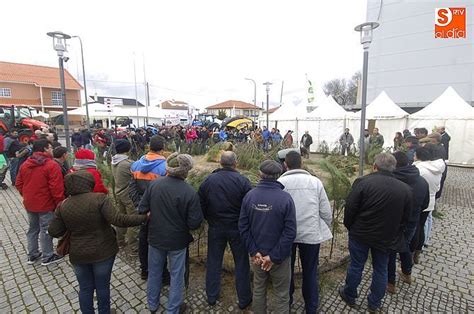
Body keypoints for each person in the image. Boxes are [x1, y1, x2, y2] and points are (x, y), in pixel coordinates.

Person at [48, 171, 146, 314]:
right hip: (103, 251)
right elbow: (118, 220)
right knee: (102, 287)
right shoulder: (100, 199)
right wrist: (143, 218)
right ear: (89, 183)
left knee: (85, 288)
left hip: (78, 254)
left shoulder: (63, 205)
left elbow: (54, 231)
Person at [339, 153, 411, 312]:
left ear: (375, 166)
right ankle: (374, 303)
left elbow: (350, 208)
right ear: (394, 168)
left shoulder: (363, 183)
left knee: (356, 265)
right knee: (381, 268)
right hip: (386, 237)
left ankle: (349, 294)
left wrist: (350, 226)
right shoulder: (405, 189)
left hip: (361, 234)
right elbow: (406, 218)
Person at [138, 153, 203, 313]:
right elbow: (195, 223)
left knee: (154, 272)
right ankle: (173, 309)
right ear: (186, 171)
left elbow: (141, 209)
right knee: (176, 275)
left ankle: (152, 304)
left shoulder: (154, 184)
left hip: (155, 237)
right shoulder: (189, 192)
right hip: (177, 241)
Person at [239, 160, 297, 314]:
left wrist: (254, 251)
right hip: (280, 258)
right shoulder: (285, 199)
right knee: (282, 295)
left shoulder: (249, 196)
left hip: (258, 257)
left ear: (260, 174)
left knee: (258, 289)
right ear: (278, 176)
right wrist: (273, 256)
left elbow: (243, 227)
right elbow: (290, 232)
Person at [278, 151, 332, 313]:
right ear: (301, 163)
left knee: (287, 270)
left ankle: (288, 301)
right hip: (310, 235)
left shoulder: (280, 182)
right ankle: (311, 306)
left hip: (288, 235)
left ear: (285, 165)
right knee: (310, 271)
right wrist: (321, 227)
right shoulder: (315, 182)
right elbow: (326, 212)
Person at [198, 152, 253, 309]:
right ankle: (244, 298)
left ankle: (211, 295)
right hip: (237, 228)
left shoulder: (209, 180)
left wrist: (208, 218)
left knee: (214, 260)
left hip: (216, 227)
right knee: (241, 262)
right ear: (235, 163)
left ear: (220, 163)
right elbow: (249, 205)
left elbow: (201, 202)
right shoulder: (243, 181)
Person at [15, 139, 65, 266]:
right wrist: (59, 203)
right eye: (50, 147)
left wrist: (26, 194)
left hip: (30, 203)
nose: (52, 150)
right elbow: (56, 188)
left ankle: (32, 255)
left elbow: (18, 183)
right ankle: (47, 256)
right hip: (46, 204)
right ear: (44, 149)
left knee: (32, 229)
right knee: (46, 229)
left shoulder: (26, 164)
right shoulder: (51, 165)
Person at [387, 152, 429, 294]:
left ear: (394, 164)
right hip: (412, 221)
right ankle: (407, 273)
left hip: (394, 222)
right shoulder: (422, 181)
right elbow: (425, 204)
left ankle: (390, 282)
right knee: (404, 246)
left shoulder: (392, 180)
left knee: (391, 253)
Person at [129, 135, 168, 281]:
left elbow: (131, 189)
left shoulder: (136, 165)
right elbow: (164, 193)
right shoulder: (165, 167)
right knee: (159, 243)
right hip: (158, 212)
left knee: (143, 239)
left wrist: (140, 207)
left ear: (149, 147)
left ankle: (144, 270)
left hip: (143, 210)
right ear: (162, 148)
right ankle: (163, 273)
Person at [413, 144, 445, 259]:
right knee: (421, 226)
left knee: (414, 227)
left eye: (414, 154)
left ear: (418, 156)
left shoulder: (419, 169)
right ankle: (418, 251)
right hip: (430, 201)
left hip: (418, 201)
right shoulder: (437, 169)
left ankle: (411, 251)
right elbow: (437, 188)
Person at [111, 139, 139, 254]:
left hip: (119, 193)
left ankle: (120, 240)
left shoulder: (114, 161)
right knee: (133, 220)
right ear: (127, 149)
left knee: (121, 219)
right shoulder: (128, 164)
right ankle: (134, 246)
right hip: (128, 195)